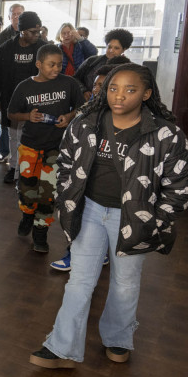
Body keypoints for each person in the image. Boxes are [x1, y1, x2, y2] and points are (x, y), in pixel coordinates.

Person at [29, 64, 188, 368]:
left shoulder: (165, 134)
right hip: (90, 210)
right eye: (113, 88)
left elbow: (181, 183)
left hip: (134, 216)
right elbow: (65, 161)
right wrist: (67, 196)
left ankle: (118, 338)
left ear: (146, 94)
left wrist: (156, 219)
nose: (119, 97)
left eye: (130, 90)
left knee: (125, 282)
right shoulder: (86, 123)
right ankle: (61, 347)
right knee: (80, 281)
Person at [49, 55, 132, 271]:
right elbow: (67, 155)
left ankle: (96, 254)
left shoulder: (131, 121)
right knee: (78, 222)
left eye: (103, 86)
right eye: (96, 84)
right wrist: (65, 186)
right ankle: (74, 255)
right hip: (82, 186)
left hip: (112, 196)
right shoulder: (85, 116)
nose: (97, 89)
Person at [7, 44, 85, 252]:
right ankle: (27, 215)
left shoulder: (69, 84)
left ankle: (40, 233)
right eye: (51, 64)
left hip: (56, 149)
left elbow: (82, 108)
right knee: (26, 190)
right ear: (39, 64)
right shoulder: (24, 87)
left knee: (48, 194)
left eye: (60, 64)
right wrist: (27, 116)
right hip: (29, 147)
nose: (56, 68)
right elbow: (11, 113)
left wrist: (69, 116)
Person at [0, 11, 44, 184]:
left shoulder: (42, 48)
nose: (36, 35)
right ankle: (14, 167)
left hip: (36, 100)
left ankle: (29, 169)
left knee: (33, 135)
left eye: (38, 31)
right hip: (10, 99)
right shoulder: (6, 48)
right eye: (32, 32)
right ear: (21, 31)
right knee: (13, 135)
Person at [0, 4, 24, 165]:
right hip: (6, 85)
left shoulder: (31, 35)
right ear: (9, 17)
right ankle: (3, 151)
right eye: (13, 14)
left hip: (24, 86)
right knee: (3, 120)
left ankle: (22, 153)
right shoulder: (2, 36)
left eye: (19, 14)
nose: (16, 16)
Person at [74, 28, 134, 98]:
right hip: (87, 101)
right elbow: (75, 78)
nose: (111, 50)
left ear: (124, 49)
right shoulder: (92, 61)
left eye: (116, 48)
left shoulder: (129, 68)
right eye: (109, 47)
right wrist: (84, 91)